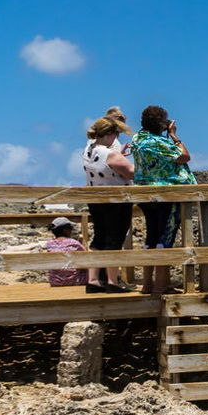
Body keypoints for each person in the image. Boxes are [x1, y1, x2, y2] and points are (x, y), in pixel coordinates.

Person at [131, 104, 196, 295]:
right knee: (164, 238)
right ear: (161, 123)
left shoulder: (137, 140)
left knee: (150, 236)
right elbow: (184, 156)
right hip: (165, 195)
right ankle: (159, 287)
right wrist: (174, 135)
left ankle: (146, 285)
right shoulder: (159, 142)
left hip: (144, 194)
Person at [82, 109, 135, 293]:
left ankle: (93, 280)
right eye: (117, 133)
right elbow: (131, 172)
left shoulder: (89, 149)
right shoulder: (110, 154)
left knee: (98, 239)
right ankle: (113, 281)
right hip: (116, 201)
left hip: (95, 199)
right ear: (110, 134)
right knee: (114, 239)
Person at [45, 217, 87, 287]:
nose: (72, 230)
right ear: (65, 230)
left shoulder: (49, 244)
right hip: (74, 281)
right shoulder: (74, 243)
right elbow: (86, 258)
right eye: (70, 228)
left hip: (55, 282)